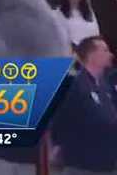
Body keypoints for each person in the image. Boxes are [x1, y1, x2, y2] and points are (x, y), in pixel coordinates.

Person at [50, 36, 117, 174]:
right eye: (105, 50)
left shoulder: (105, 84)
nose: (110, 54)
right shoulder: (75, 84)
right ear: (92, 56)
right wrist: (57, 145)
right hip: (82, 164)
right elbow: (59, 118)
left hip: (106, 163)